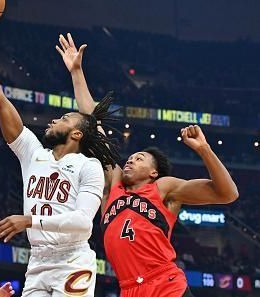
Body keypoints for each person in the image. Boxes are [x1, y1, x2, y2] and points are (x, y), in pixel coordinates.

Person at [57, 33, 239, 297]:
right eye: (131, 157)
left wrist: (205, 150)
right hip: (130, 289)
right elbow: (94, 125)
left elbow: (228, 193)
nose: (130, 159)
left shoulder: (164, 188)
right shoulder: (114, 185)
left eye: (140, 158)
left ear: (153, 172)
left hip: (165, 284)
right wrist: (76, 72)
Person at [0, 11, 120, 297]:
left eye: (65, 119)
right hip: (38, 259)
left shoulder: (89, 165)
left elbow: (83, 222)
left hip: (73, 259)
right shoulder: (32, 151)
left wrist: (29, 220)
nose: (54, 120)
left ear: (77, 134)